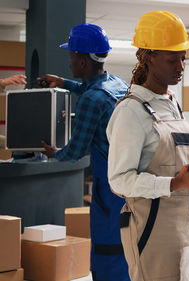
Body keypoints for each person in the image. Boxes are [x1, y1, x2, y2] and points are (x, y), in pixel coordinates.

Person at [106, 11, 189, 281]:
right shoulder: (131, 112)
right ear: (149, 57)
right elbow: (119, 181)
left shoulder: (172, 105)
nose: (180, 67)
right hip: (153, 235)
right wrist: (174, 184)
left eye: (183, 58)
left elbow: (176, 166)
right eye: (172, 59)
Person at [37, 24, 130, 281]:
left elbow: (75, 151)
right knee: (126, 250)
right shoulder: (118, 84)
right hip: (128, 186)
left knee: (105, 252)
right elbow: (93, 90)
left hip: (107, 193)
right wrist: (64, 83)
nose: (69, 63)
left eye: (71, 57)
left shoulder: (91, 101)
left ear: (82, 61)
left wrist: (55, 153)